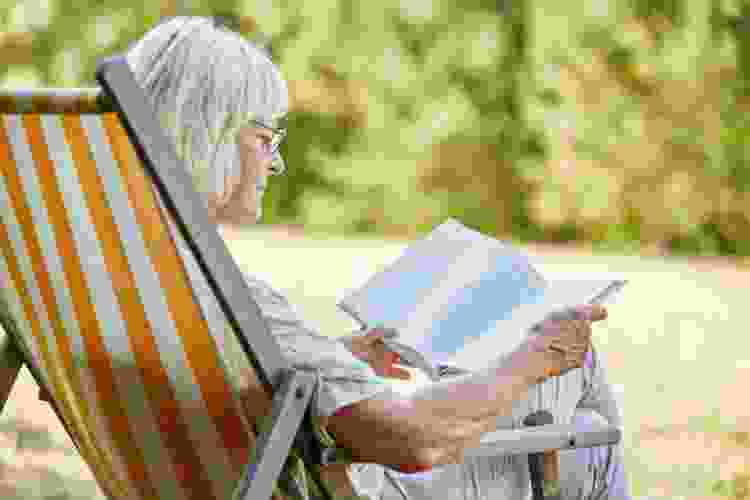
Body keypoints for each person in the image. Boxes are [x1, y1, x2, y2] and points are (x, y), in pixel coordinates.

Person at [42, 15, 632, 500]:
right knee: (582, 416)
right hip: (344, 480)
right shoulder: (219, 293)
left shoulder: (107, 272)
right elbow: (414, 440)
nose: (275, 163)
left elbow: (195, 391)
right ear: (210, 132)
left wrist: (324, 367)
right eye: (265, 138)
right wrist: (532, 361)